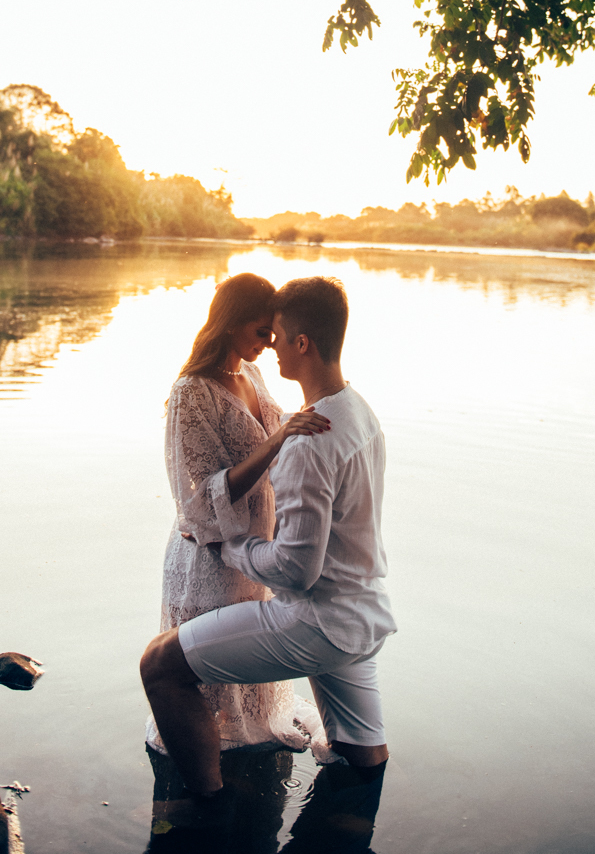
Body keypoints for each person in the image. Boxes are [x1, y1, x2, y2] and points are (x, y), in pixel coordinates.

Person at [141, 276, 396, 803]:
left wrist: (234, 549)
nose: (271, 343)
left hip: (313, 616)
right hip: (362, 612)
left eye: (276, 333)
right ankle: (349, 822)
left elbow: (298, 572)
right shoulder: (359, 413)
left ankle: (208, 810)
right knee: (363, 754)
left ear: (301, 342)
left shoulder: (309, 440)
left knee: (159, 667)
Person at [146, 271, 333, 759]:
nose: (269, 344)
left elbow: (281, 439)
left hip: (253, 552)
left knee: (247, 699)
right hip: (208, 562)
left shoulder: (251, 373)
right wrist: (280, 439)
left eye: (272, 333)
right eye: (260, 332)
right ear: (230, 324)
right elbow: (201, 495)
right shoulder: (192, 391)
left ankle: (242, 767)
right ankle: (205, 790)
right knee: (203, 685)